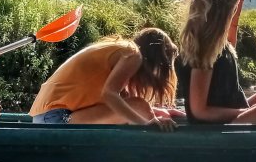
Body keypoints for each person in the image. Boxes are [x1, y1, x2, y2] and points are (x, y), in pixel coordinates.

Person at [29, 28, 179, 128]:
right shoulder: (133, 54)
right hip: (56, 119)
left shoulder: (119, 50)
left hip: (46, 118)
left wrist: (158, 112)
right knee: (139, 107)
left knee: (139, 108)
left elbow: (112, 105)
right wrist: (147, 123)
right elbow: (109, 94)